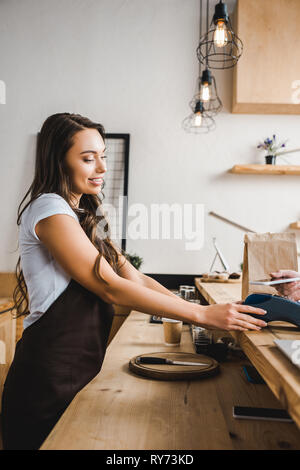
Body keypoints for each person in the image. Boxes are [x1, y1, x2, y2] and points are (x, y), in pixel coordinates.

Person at [1, 113, 267, 450]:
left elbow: (134, 276)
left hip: (77, 372)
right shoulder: (49, 210)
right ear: (58, 160)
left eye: (103, 156)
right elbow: (109, 285)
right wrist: (200, 316)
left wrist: (206, 311)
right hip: (45, 379)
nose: (101, 168)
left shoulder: (86, 215)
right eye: (87, 158)